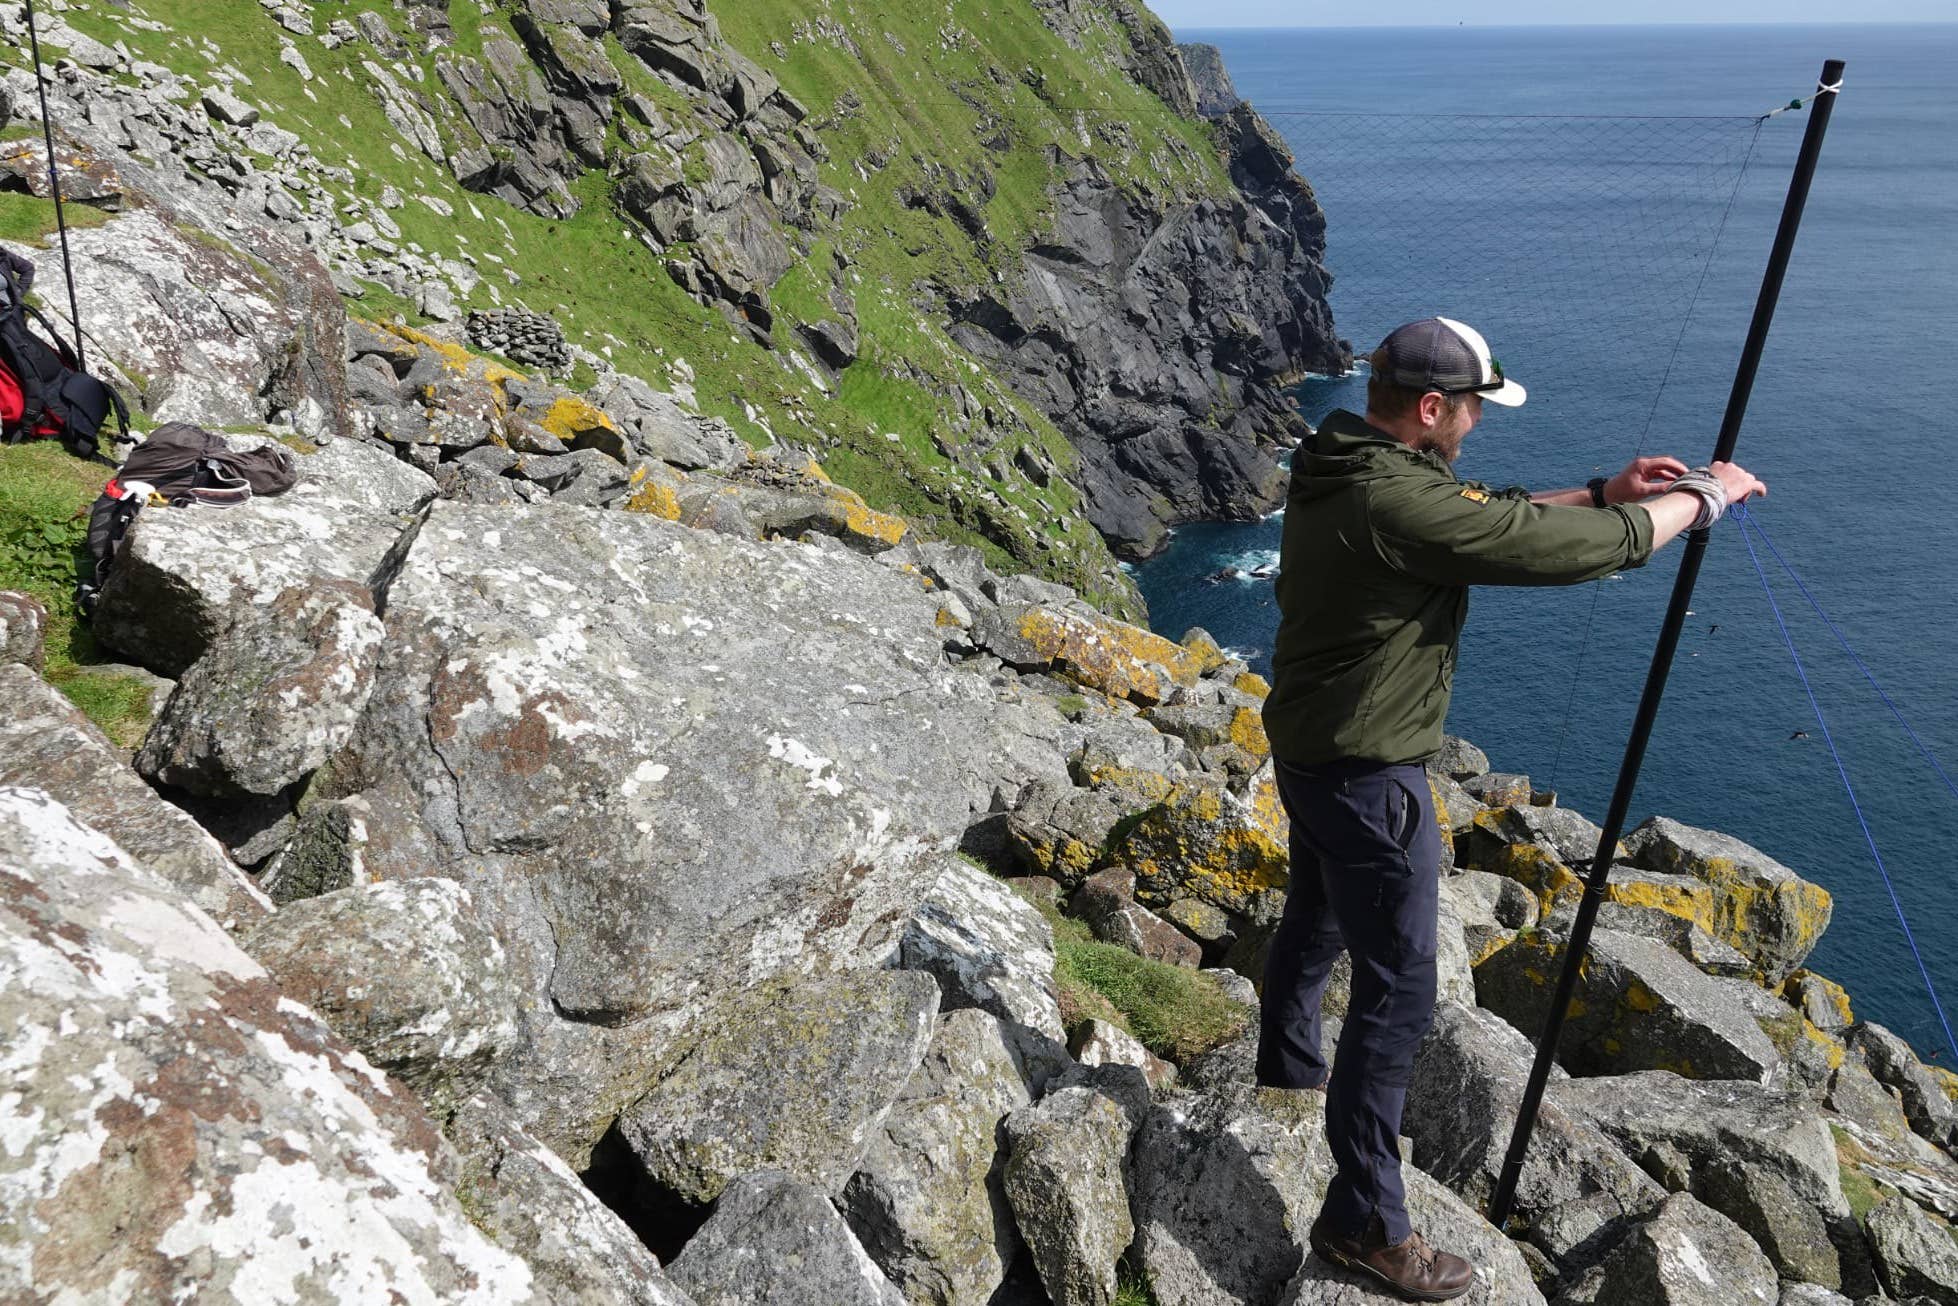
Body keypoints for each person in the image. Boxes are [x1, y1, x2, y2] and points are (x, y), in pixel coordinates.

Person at [1255, 316, 1765, 1301]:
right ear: (1433, 407)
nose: (1478, 425)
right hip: (1368, 775)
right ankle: (1362, 1223)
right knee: (1396, 996)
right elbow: (1537, 548)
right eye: (1474, 409)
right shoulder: (1386, 494)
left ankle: (1281, 1075)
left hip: (1310, 748)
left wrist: (1606, 489)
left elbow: (1483, 513)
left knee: (1311, 920)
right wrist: (1692, 504)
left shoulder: (1341, 452)